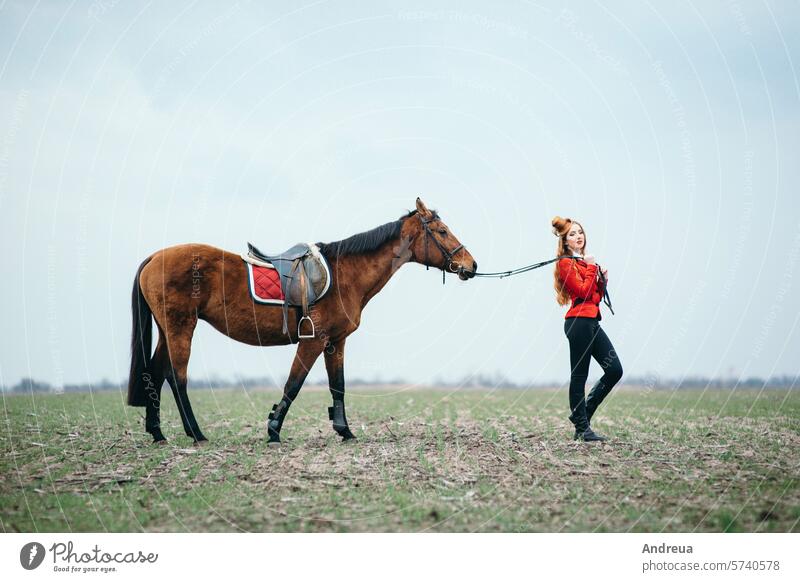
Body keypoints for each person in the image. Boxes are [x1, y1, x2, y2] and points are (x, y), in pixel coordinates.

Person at [552, 216, 623, 442]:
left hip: (592, 321)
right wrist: (593, 268)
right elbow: (582, 293)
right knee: (579, 376)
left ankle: (581, 416)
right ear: (564, 241)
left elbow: (593, 297)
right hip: (578, 324)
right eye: (572, 234)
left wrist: (603, 282)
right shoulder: (565, 264)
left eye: (580, 232)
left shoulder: (583, 262)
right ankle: (583, 428)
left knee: (615, 370)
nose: (578, 236)